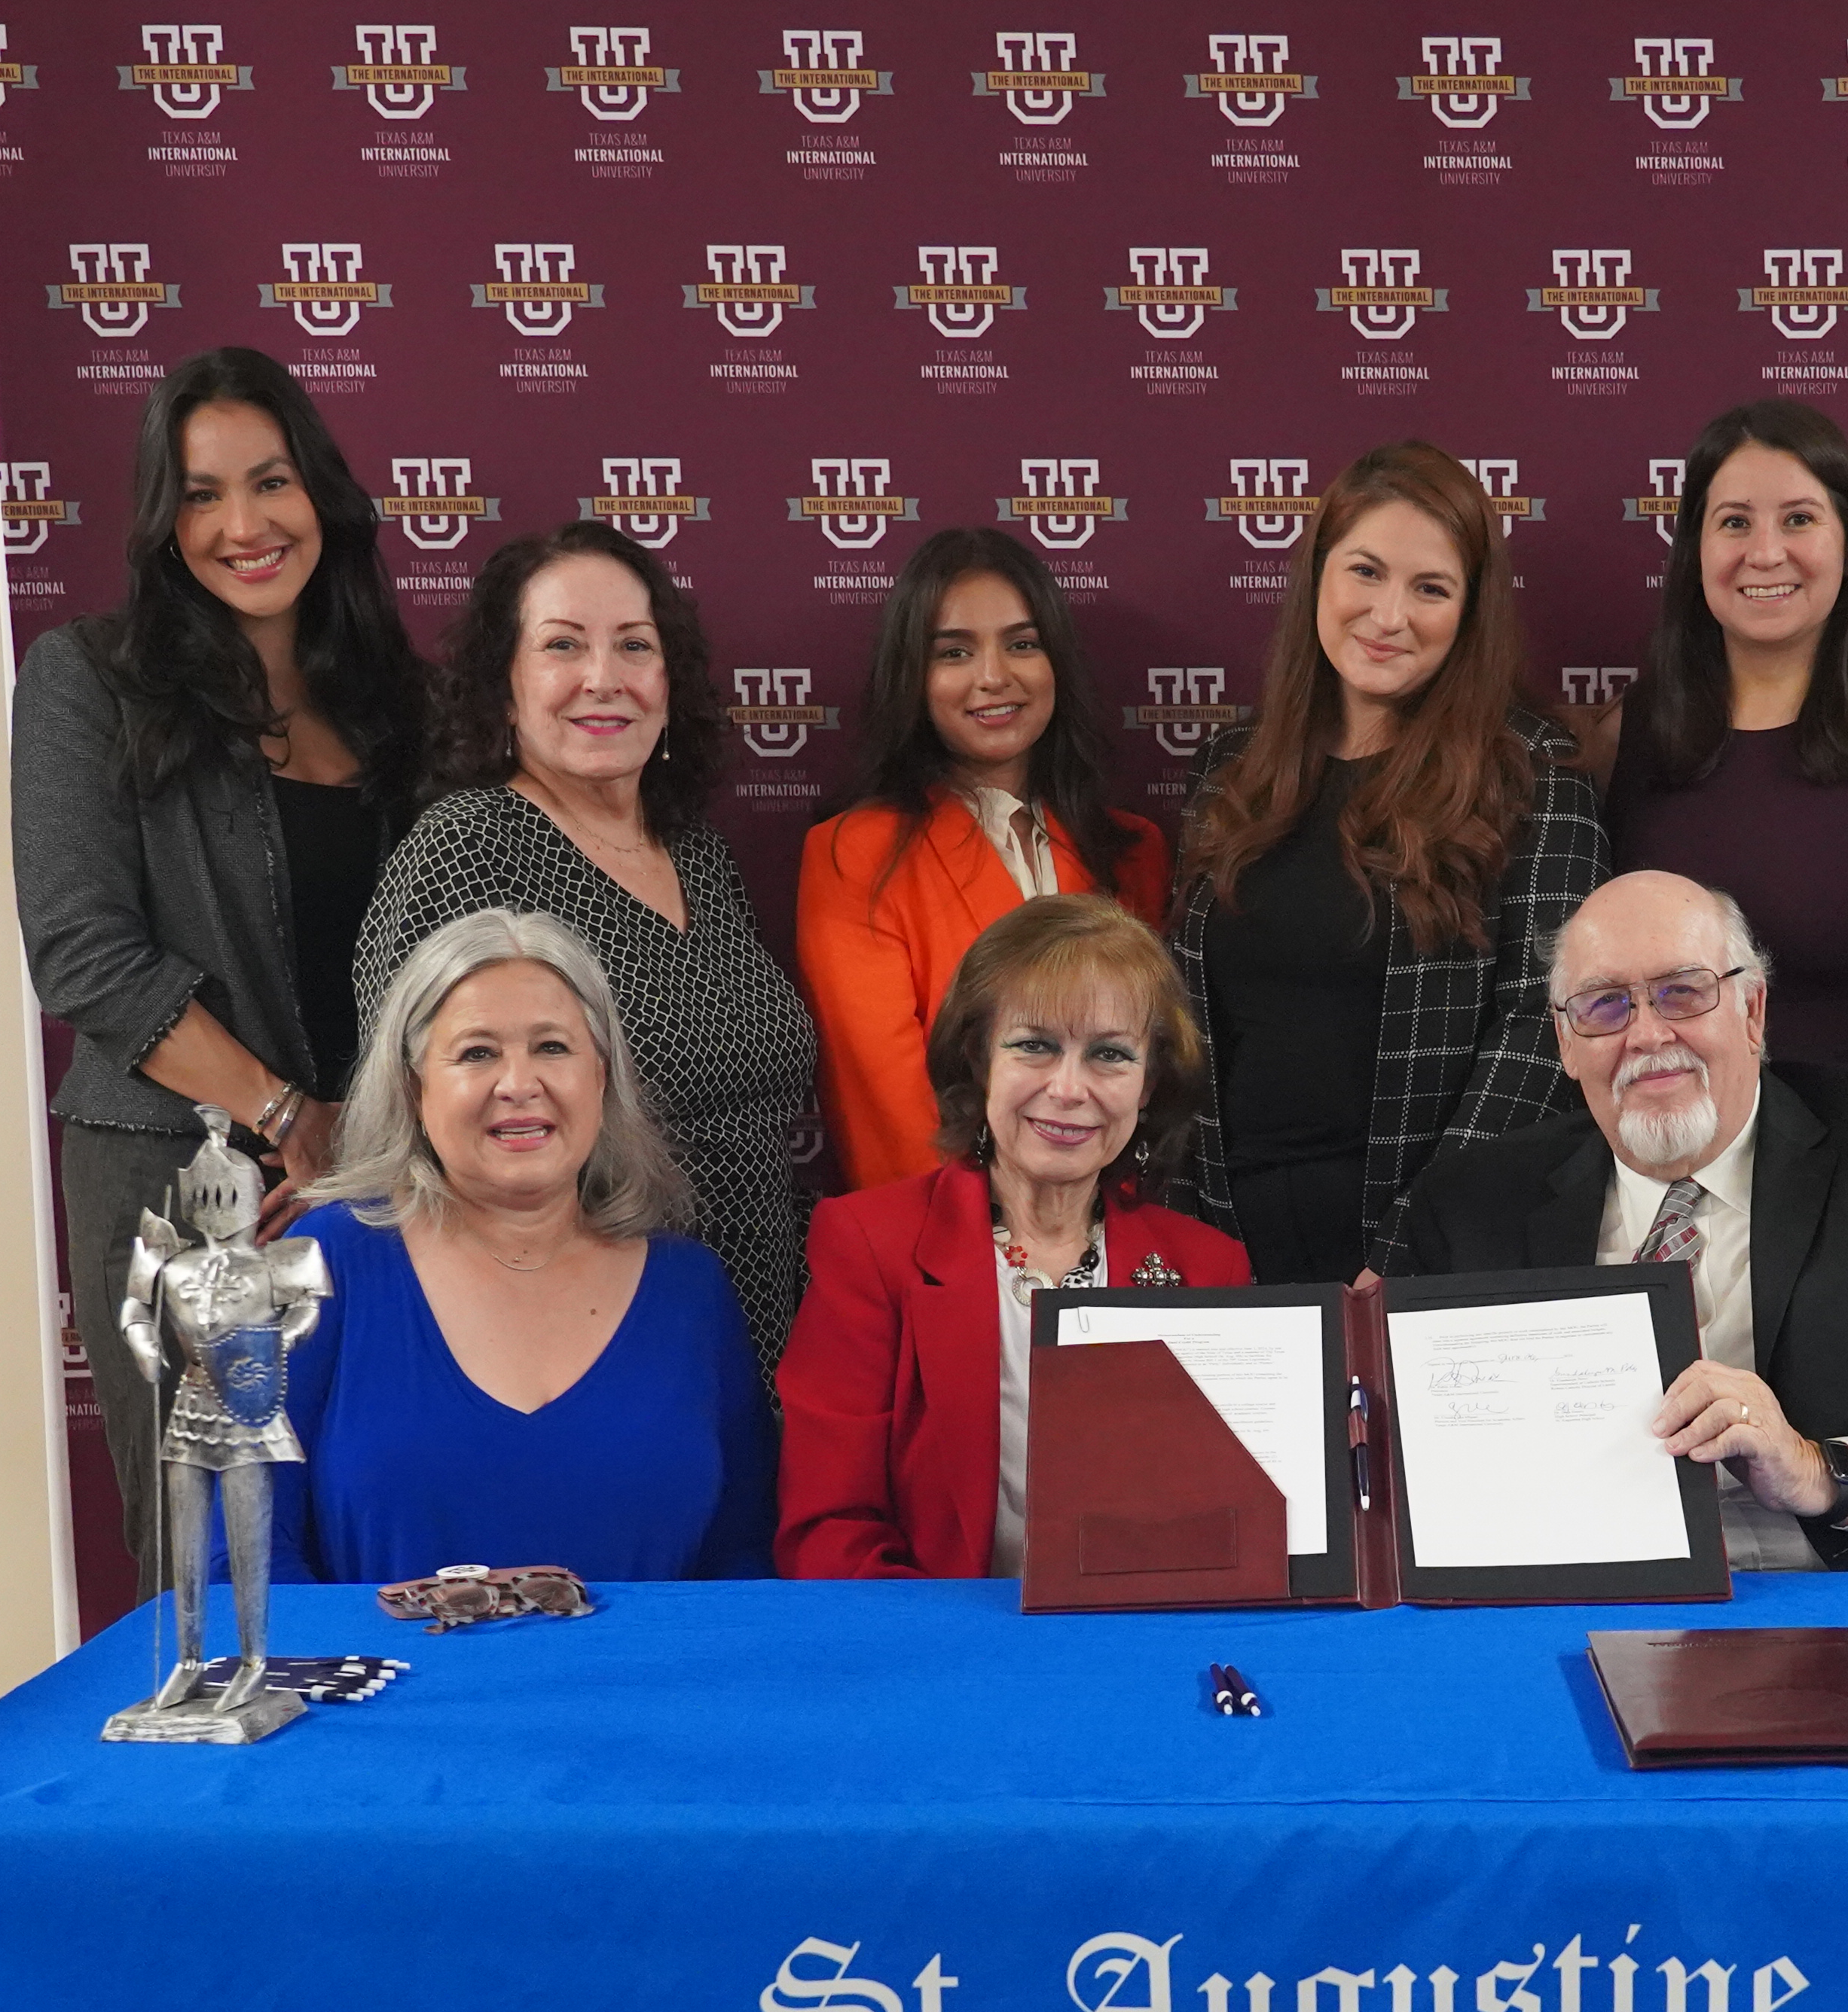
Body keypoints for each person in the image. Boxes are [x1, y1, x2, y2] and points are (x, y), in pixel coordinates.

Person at [14, 345, 424, 1577]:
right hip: (178, 1185)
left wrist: (372, 1139)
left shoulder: (398, 699)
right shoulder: (91, 679)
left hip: (386, 1182)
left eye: (272, 482)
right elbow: (81, 953)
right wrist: (287, 1113)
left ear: (325, 498)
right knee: (212, 1554)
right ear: (161, 520)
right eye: (201, 494)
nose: (244, 524)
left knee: (378, 1532)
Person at [1397, 872, 1848, 1570]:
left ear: (1753, 1010)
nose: (1648, 1034)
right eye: (1605, 1006)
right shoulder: (1472, 1204)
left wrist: (1823, 1472)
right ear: (1567, 1043)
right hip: (1580, 1608)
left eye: (1684, 991)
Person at [355, 526, 817, 1371]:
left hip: (757, 1331)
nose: (603, 678)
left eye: (634, 646)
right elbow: (406, 1129)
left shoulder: (698, 855)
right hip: (579, 1341)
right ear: (505, 688)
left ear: (669, 685)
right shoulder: (469, 848)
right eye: (563, 646)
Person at [1171, 440, 1608, 1284]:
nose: (1389, 614)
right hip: (1228, 1238)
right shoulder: (1229, 767)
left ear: (1471, 611)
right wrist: (1194, 1235)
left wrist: (1415, 1246)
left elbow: (1546, 1027)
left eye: (1431, 588)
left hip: (1433, 1248)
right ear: (1318, 579)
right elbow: (1179, 1021)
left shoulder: (1534, 771)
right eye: (1365, 572)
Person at [266, 908, 773, 1585]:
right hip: (394, 1690)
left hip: (646, 1691)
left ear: (601, 1076)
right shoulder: (324, 1261)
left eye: (553, 1048)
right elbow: (240, 1552)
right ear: (415, 1089)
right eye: (478, 1053)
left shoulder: (692, 1289)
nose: (519, 1084)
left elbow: (744, 1556)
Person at [777, 897, 1251, 1577]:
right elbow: (828, 1531)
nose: (1067, 1089)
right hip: (939, 1660)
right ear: (978, 1057)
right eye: (1035, 1046)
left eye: (1110, 1055)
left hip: (1134, 1646)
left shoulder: (1210, 1268)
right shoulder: (870, 1246)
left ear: (1148, 1086)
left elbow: (1228, 1528)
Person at [1593, 401, 1848, 1095]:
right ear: (1695, 553)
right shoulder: (1624, 738)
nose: (1765, 552)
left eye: (1800, 519)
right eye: (1734, 523)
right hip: (1677, 1168)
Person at [799, 529, 1175, 1189]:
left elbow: (1150, 1083)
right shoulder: (854, 854)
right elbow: (885, 1119)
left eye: (1022, 644)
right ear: (913, 678)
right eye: (954, 652)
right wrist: (998, 1259)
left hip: (1118, 1240)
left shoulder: (1135, 852)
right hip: (949, 1248)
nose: (994, 676)